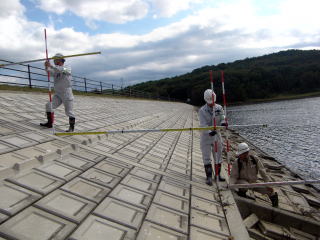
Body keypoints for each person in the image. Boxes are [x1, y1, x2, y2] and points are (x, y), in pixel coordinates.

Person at [230, 142, 279, 207]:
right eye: (240, 154)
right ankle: (242, 195)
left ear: (246, 153)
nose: (240, 156)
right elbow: (233, 176)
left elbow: (263, 172)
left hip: (253, 182)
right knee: (245, 185)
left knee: (270, 191)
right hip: (242, 181)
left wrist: (268, 184)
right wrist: (230, 185)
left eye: (242, 154)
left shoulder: (254, 159)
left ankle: (275, 206)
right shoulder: (237, 163)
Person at [40, 53, 75, 132]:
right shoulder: (55, 69)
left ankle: (71, 128)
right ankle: (49, 123)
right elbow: (49, 72)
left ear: (60, 60)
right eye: (54, 60)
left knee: (69, 111)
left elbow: (64, 70)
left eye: (56, 60)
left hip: (67, 93)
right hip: (58, 94)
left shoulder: (67, 67)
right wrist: (46, 66)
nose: (54, 61)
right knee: (49, 105)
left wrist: (51, 66)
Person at [199, 89, 227, 186]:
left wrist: (224, 123)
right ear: (206, 100)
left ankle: (218, 175)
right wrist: (209, 132)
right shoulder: (202, 110)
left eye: (213, 102)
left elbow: (223, 117)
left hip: (217, 136)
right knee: (206, 157)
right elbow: (203, 125)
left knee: (218, 156)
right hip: (206, 136)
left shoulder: (219, 107)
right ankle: (209, 177)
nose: (212, 104)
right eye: (210, 102)